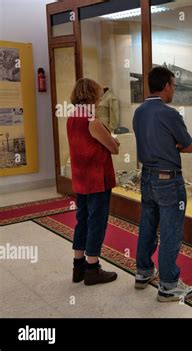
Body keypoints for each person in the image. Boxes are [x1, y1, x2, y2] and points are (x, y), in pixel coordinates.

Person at [133, 66, 192, 302]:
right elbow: (187, 145)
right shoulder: (169, 114)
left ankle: (143, 272)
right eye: (174, 86)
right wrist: (173, 145)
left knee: (147, 225)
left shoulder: (139, 112)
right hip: (168, 181)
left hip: (146, 177)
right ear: (167, 86)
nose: (174, 90)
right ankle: (168, 285)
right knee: (171, 230)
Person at [67, 78, 119, 286]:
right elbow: (114, 148)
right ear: (91, 95)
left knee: (82, 220)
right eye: (98, 95)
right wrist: (113, 141)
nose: (100, 99)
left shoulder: (72, 117)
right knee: (97, 221)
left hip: (81, 178)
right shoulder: (92, 121)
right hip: (97, 179)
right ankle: (92, 268)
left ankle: (78, 266)